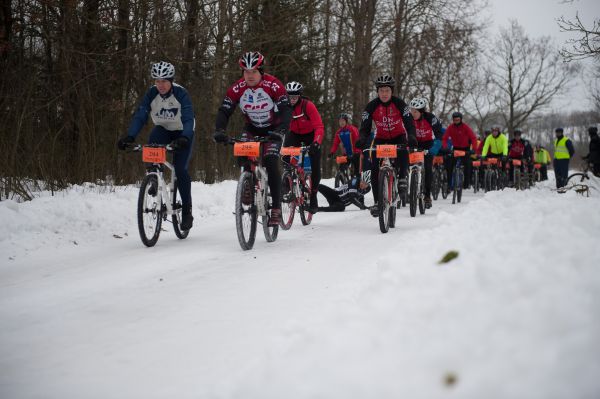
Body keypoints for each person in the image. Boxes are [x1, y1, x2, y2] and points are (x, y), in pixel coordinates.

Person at [213, 51, 291, 225]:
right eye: (246, 71)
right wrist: (219, 130)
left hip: (274, 129)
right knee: (242, 155)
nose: (249, 75)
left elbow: (286, 110)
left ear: (261, 71)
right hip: (252, 127)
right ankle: (248, 183)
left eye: (253, 71)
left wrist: (282, 130)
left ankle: (276, 208)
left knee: (270, 161)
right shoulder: (237, 88)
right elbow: (225, 110)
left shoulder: (274, 85)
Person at [117, 61, 196, 230]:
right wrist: (130, 136)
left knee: (180, 169)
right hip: (163, 130)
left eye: (164, 81)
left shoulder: (181, 94)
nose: (160, 85)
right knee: (152, 143)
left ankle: (187, 211)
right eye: (157, 81)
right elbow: (141, 115)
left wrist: (185, 137)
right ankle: (153, 177)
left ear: (171, 80)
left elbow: (189, 118)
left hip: (183, 132)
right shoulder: (151, 93)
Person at [355, 74, 417, 217]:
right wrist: (362, 138)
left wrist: (412, 136)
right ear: (377, 91)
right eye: (381, 90)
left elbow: (409, 123)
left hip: (398, 136)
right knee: (375, 167)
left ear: (391, 91)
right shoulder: (371, 106)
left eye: (387, 91)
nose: (384, 93)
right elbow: (364, 127)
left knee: (403, 151)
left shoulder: (400, 104)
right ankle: (378, 202)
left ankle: (402, 178)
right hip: (381, 138)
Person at [283, 81, 324, 210]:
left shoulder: (308, 106)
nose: (292, 100)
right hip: (294, 134)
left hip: (310, 135)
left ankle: (313, 195)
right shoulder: (284, 106)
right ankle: (288, 184)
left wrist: (316, 142)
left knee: (315, 162)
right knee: (284, 156)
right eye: (290, 97)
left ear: (299, 96)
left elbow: (319, 126)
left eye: (295, 97)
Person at [409, 97, 443, 209]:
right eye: (411, 110)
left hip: (428, 144)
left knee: (428, 169)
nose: (412, 113)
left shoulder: (431, 118)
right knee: (405, 164)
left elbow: (439, 135)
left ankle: (427, 196)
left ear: (422, 111)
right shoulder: (408, 118)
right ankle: (406, 190)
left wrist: (435, 148)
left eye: (415, 111)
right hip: (415, 143)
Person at [442, 111, 478, 189]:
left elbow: (473, 138)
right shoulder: (450, 127)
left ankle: (466, 183)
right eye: (455, 120)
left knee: (468, 165)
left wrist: (474, 149)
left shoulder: (465, 127)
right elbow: (444, 138)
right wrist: (445, 147)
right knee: (450, 165)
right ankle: (449, 184)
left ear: (461, 119)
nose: (456, 121)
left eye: (458, 120)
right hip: (455, 149)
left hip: (465, 149)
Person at [329, 113, 361, 181]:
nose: (341, 123)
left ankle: (358, 184)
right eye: (340, 121)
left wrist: (358, 152)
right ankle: (344, 184)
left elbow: (358, 140)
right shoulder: (338, 132)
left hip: (355, 153)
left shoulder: (352, 129)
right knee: (341, 169)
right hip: (346, 154)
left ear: (346, 121)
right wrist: (332, 152)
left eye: (343, 121)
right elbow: (335, 143)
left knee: (356, 171)